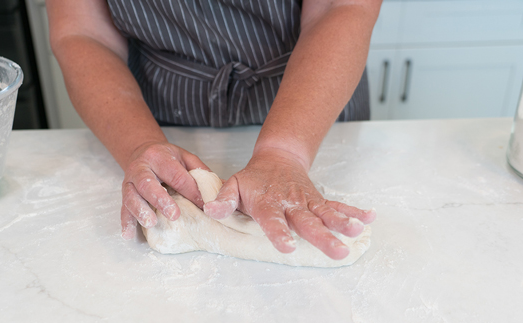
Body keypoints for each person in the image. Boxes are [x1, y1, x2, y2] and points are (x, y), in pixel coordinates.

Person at [47, 0, 380, 260]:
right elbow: (82, 30)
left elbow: (341, 7)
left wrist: (285, 152)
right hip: (150, 109)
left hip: (312, 98)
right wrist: (139, 144)